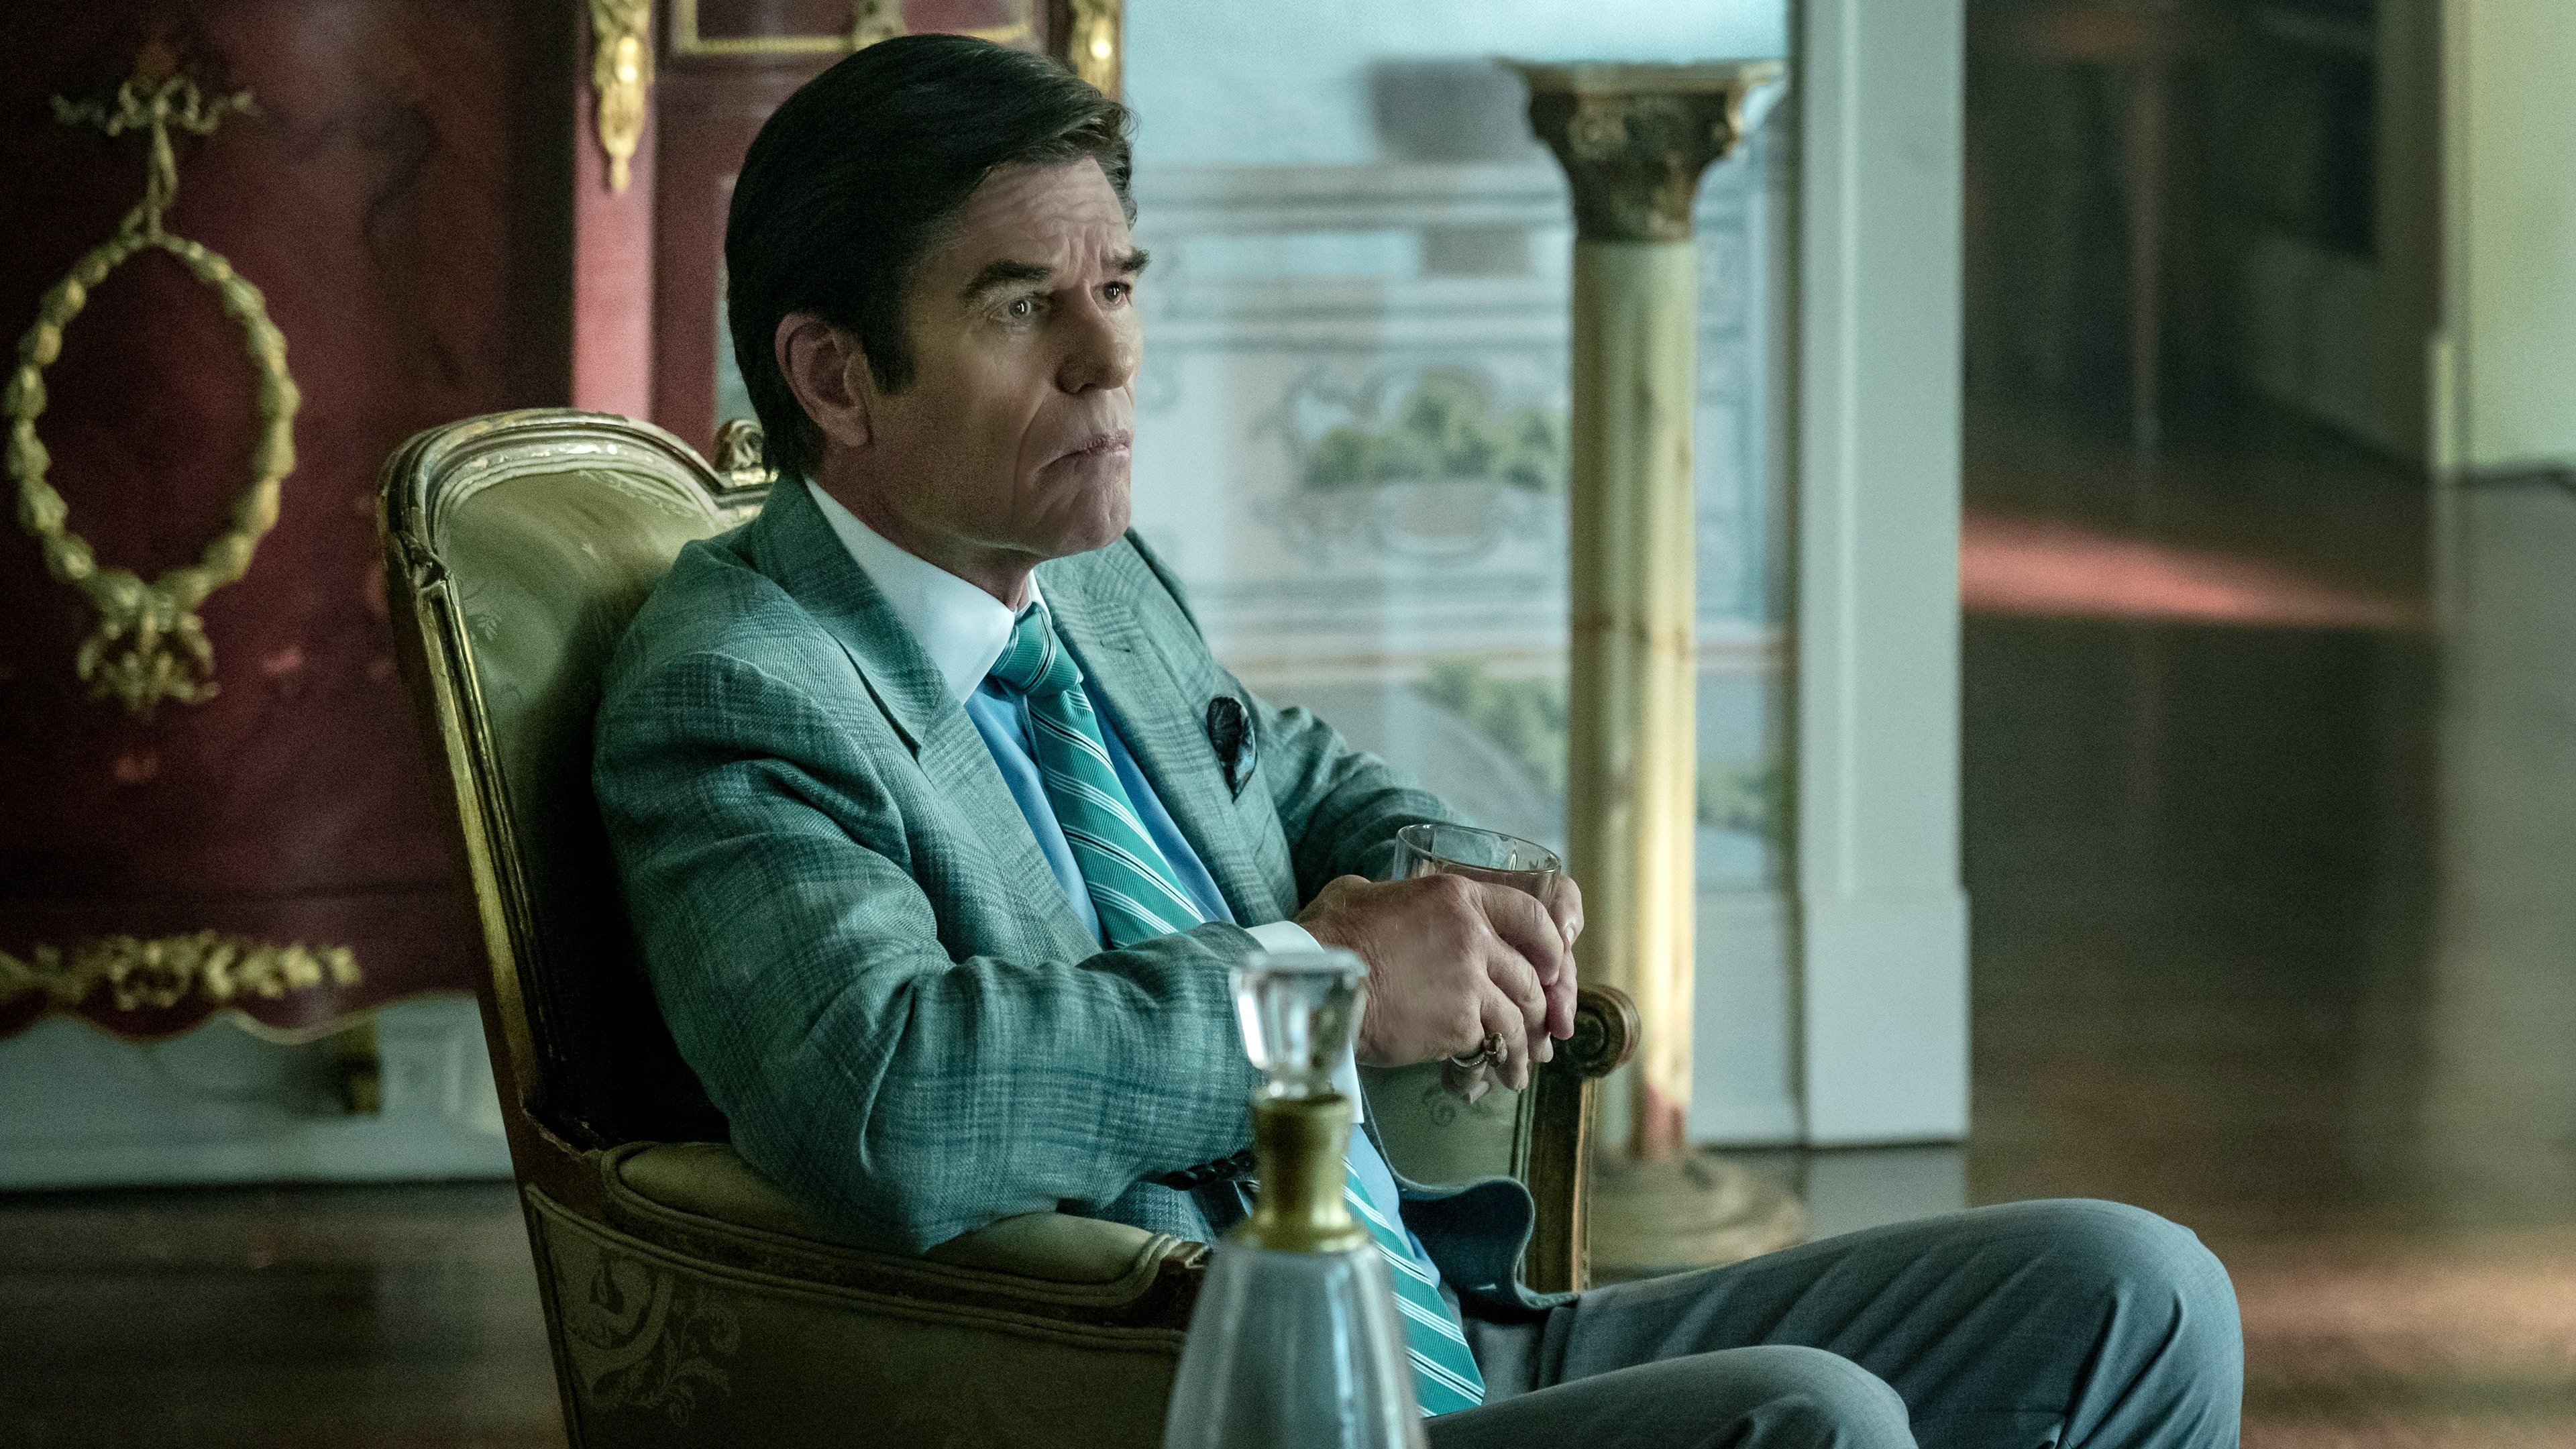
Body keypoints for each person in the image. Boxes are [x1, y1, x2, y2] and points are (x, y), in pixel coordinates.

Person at [593, 33, 2243, 1448]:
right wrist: (1323, 994)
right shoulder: (740, 691)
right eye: (1024, 306)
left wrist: (1460, 889)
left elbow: (1300, 780)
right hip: (1208, 1391)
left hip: (1443, 1326)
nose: (1112, 359)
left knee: (2137, 1290)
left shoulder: (1087, 582)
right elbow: (886, 1100)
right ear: (835, 377)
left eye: (1120, 286)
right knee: (1812, 1422)